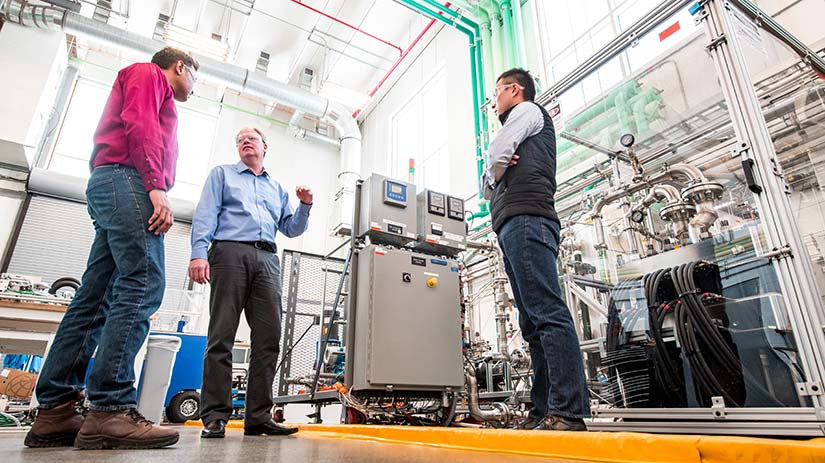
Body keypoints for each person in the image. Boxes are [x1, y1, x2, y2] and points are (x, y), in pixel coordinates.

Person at [25, 47, 198, 449]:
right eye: (195, 77)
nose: (193, 86)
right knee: (143, 283)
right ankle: (110, 409)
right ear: (180, 66)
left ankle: (56, 410)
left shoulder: (145, 80)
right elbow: (140, 124)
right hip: (128, 179)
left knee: (96, 296)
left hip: (113, 181)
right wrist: (156, 185)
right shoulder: (148, 74)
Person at [482, 68, 590, 431]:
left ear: (514, 89)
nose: (494, 101)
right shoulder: (519, 119)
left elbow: (496, 154)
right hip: (514, 223)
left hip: (528, 219)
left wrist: (496, 166)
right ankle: (544, 411)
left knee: (547, 314)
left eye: (496, 92)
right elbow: (486, 182)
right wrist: (495, 171)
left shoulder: (526, 111)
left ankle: (568, 411)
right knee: (532, 324)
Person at [189, 127, 312, 438]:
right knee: (221, 335)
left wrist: (306, 205)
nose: (245, 141)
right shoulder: (223, 175)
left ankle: (258, 417)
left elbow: (291, 228)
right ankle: (216, 416)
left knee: (269, 338)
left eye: (251, 138)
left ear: (264, 147)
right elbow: (205, 214)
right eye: (240, 138)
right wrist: (198, 253)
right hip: (229, 252)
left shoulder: (277, 188)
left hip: (268, 259)